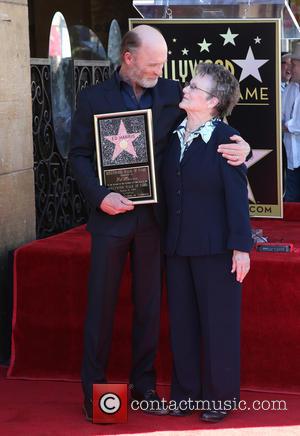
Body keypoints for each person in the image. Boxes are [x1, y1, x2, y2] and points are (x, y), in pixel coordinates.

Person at [69, 25, 251, 421]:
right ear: (128, 59)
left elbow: (214, 125)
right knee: (100, 308)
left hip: (158, 224)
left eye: (164, 64)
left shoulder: (173, 94)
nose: (161, 71)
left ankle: (145, 385)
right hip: (110, 219)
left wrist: (245, 147)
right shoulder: (92, 98)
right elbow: (79, 156)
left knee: (150, 308)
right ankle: (97, 395)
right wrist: (100, 197)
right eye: (153, 65)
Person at [162, 63, 252, 422]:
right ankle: (185, 394)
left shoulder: (228, 141)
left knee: (219, 325)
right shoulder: (172, 134)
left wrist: (241, 247)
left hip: (216, 249)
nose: (185, 89)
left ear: (213, 101)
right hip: (177, 246)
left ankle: (220, 398)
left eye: (194, 87)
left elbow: (235, 198)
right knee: (182, 324)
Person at [282, 43, 300, 202]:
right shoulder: (290, 89)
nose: (290, 69)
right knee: (291, 203)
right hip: (292, 158)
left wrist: (283, 126)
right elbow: (280, 114)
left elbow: (296, 125)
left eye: (293, 64)